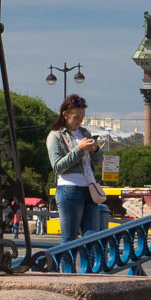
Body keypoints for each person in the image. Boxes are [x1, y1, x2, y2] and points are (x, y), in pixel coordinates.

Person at [47, 96, 108, 244]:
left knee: (92, 238)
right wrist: (79, 149)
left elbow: (99, 162)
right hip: (69, 189)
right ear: (65, 114)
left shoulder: (85, 133)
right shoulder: (55, 136)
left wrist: (95, 150)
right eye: (76, 117)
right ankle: (67, 268)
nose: (79, 120)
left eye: (82, 117)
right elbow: (58, 167)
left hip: (90, 188)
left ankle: (89, 268)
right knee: (69, 239)